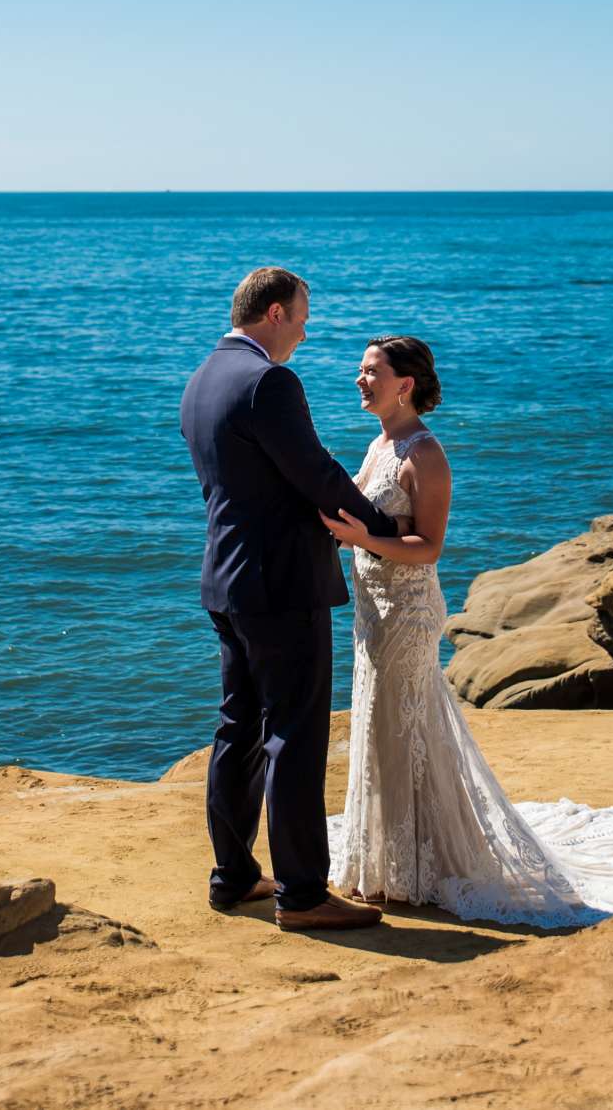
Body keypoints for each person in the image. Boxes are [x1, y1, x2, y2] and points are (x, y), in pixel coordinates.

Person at [322, 335, 613, 926]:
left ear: (404, 383)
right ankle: (388, 862)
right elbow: (373, 517)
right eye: (361, 371)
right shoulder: (380, 443)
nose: (358, 380)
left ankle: (419, 869)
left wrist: (362, 539)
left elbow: (428, 546)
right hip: (373, 610)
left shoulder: (425, 455)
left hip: (407, 613)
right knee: (384, 727)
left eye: (370, 371)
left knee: (401, 730)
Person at [178, 267, 394, 932]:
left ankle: (233, 877)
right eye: (301, 316)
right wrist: (383, 531)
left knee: (238, 729)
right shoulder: (269, 381)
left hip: (227, 580)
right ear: (274, 312)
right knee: (294, 736)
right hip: (279, 584)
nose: (306, 329)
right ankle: (302, 895)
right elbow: (315, 472)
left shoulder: (202, 379)